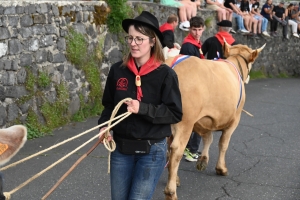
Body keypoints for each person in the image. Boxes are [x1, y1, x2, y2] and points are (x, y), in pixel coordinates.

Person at [97, 11, 183, 200]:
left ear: (153, 41)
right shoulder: (117, 70)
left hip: (152, 151)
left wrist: (142, 108)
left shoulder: (166, 75)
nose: (133, 43)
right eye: (130, 38)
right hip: (121, 149)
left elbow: (175, 113)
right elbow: (109, 106)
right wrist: (105, 125)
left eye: (139, 39)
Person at [179, 16, 204, 161]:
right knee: (196, 120)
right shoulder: (189, 46)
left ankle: (190, 149)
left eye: (199, 29)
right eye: (194, 29)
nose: (197, 32)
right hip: (192, 88)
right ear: (190, 29)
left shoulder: (197, 44)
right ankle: (190, 150)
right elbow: (188, 69)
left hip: (196, 85)